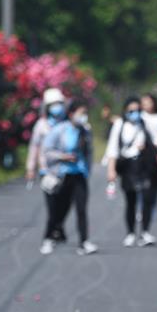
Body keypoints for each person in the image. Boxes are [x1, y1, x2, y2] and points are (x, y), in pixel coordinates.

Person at [105, 96, 157, 247]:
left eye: (137, 110)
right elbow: (112, 148)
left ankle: (145, 231)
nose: (135, 113)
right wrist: (111, 170)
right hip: (127, 166)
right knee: (130, 201)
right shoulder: (120, 125)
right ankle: (130, 233)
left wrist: (150, 150)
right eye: (131, 111)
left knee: (146, 199)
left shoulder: (145, 122)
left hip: (144, 165)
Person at [41, 100, 98, 256]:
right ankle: (48, 237)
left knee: (81, 209)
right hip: (61, 175)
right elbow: (47, 151)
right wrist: (62, 157)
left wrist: (87, 170)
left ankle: (84, 241)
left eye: (85, 113)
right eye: (81, 113)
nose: (84, 117)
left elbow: (89, 153)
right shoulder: (59, 130)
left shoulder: (86, 132)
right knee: (58, 210)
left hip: (79, 175)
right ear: (71, 114)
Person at [26, 88, 68, 242]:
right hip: (46, 170)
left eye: (59, 103)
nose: (57, 107)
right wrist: (31, 168)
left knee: (64, 203)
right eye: (53, 104)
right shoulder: (41, 125)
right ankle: (51, 233)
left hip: (65, 170)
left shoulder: (67, 124)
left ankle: (59, 227)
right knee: (52, 204)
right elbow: (34, 147)